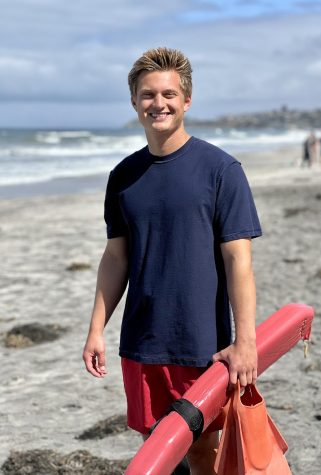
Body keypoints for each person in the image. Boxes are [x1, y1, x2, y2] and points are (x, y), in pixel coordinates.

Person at [83, 47, 262, 475]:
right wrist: (95, 330)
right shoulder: (123, 177)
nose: (157, 103)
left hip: (201, 343)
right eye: (147, 95)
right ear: (133, 101)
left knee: (203, 451)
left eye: (168, 94)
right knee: (157, 448)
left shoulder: (221, 170)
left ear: (186, 100)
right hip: (142, 342)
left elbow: (239, 261)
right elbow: (115, 258)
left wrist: (246, 341)